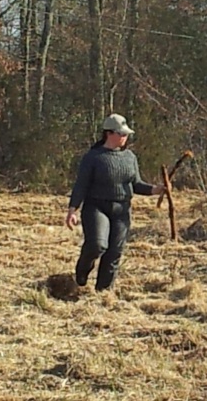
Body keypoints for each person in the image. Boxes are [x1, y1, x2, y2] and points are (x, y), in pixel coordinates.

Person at [65, 113, 165, 291]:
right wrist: (72, 210)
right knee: (97, 245)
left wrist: (155, 190)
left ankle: (103, 292)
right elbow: (81, 185)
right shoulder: (93, 157)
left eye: (126, 134)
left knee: (114, 252)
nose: (125, 137)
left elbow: (136, 184)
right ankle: (82, 271)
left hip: (121, 210)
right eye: (122, 134)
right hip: (96, 207)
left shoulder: (130, 158)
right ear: (109, 133)